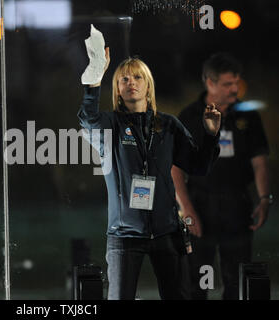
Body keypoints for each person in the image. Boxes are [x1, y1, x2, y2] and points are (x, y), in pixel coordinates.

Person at [78, 47, 221, 300]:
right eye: (124, 79)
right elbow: (88, 119)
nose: (131, 82)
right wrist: (96, 76)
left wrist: (210, 135)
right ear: (118, 89)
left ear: (148, 85)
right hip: (124, 235)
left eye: (138, 77)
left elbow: (199, 166)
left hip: (166, 232)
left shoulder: (168, 125)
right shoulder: (111, 125)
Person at [171, 52, 272, 300]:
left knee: (237, 280)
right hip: (200, 203)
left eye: (236, 83)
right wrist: (187, 209)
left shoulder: (248, 116)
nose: (235, 89)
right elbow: (175, 169)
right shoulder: (189, 117)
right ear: (210, 82)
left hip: (237, 205)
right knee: (196, 281)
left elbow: (259, 162)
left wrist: (264, 198)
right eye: (228, 84)